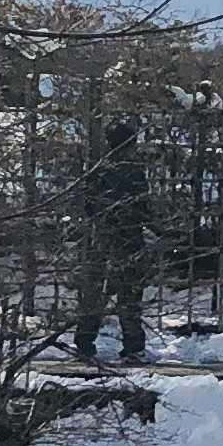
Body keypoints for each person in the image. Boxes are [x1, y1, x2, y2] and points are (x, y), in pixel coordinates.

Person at [73, 113, 151, 365]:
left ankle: (84, 342)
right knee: (129, 295)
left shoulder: (98, 168)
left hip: (101, 237)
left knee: (95, 292)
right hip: (128, 239)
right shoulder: (133, 171)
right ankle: (133, 346)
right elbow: (142, 207)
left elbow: (87, 203)